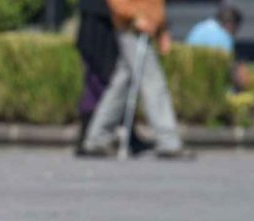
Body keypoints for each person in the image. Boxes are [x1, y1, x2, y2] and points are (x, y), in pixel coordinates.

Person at [82, 0, 194, 159]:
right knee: (153, 83)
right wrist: (135, 17)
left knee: (121, 84)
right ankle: (169, 142)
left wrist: (162, 29)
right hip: (132, 29)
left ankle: (97, 138)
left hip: (139, 29)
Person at [76, 0, 152, 156]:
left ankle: (98, 135)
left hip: (105, 18)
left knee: (112, 79)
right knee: (102, 79)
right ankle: (91, 135)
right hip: (102, 20)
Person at [186, 5, 249, 91]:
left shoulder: (200, 27)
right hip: (207, 85)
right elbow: (228, 68)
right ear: (231, 24)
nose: (235, 33)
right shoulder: (223, 37)